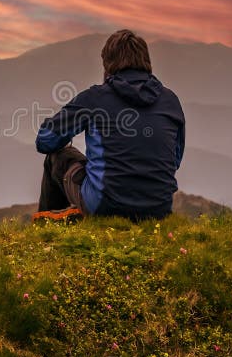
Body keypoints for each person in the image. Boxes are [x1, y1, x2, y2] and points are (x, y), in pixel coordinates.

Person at [35, 30, 185, 222]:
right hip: (159, 210)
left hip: (106, 206)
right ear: (147, 64)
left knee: (58, 157)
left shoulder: (94, 99)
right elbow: (175, 160)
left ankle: (49, 228)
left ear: (108, 65)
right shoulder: (171, 101)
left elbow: (45, 141)